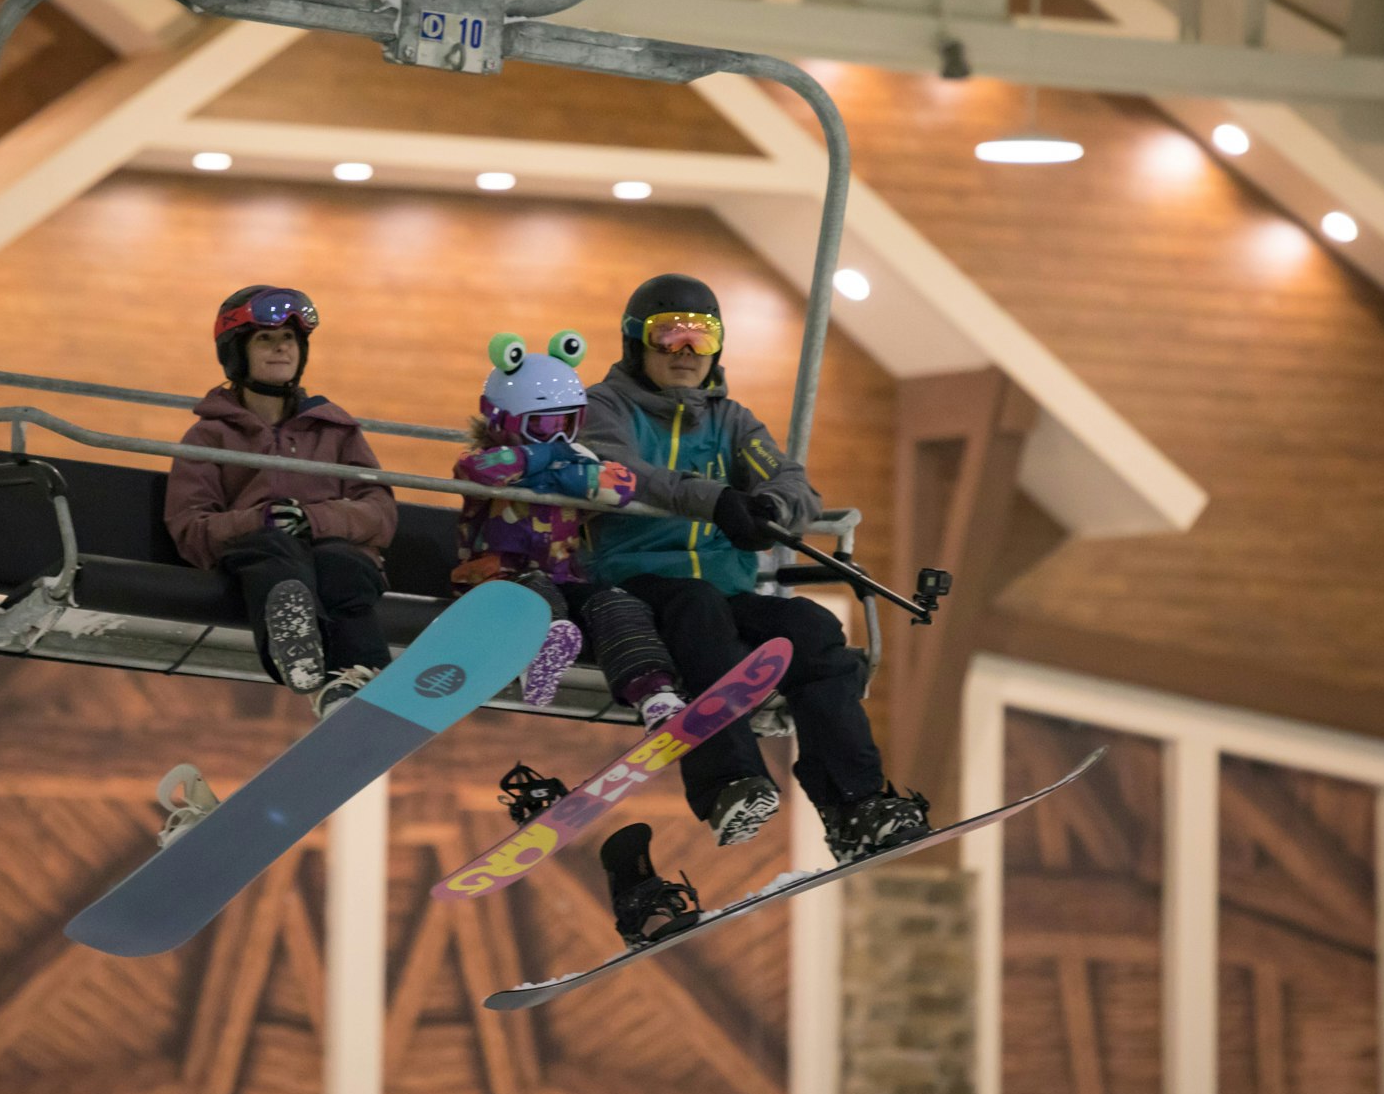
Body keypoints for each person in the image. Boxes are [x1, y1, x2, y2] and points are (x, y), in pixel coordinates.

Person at [581, 273, 931, 943]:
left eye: (701, 334)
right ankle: (730, 782)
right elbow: (614, 471)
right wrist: (710, 499)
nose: (685, 349)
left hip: (726, 584)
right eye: (668, 333)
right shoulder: (608, 407)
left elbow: (792, 480)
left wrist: (769, 506)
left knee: (812, 628)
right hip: (637, 582)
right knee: (699, 611)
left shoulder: (731, 421)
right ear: (636, 341)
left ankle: (855, 803)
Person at [164, 285, 396, 721]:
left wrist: (314, 519)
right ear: (237, 353)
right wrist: (261, 519)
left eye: (288, 339)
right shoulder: (210, 437)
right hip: (260, 558)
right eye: (265, 339)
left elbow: (379, 512)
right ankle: (293, 641)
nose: (280, 349)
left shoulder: (336, 430)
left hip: (337, 556)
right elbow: (190, 527)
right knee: (274, 549)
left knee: (340, 564)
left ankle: (360, 680)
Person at [452, 330, 688, 727]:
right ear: (502, 422)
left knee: (616, 602)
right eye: (543, 427)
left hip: (564, 576)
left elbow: (622, 486)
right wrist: (544, 459)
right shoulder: (484, 460)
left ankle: (654, 693)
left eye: (568, 423)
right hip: (494, 580)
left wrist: (565, 468)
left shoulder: (574, 458)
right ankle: (544, 647)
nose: (559, 436)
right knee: (535, 592)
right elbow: (481, 470)